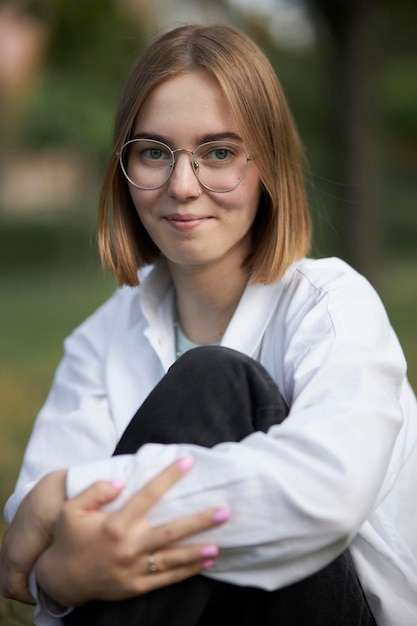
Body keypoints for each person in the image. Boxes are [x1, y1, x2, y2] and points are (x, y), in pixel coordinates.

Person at [1, 22, 416, 626]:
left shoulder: (332, 305)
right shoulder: (101, 337)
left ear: (267, 164)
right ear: (125, 166)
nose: (181, 186)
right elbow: (32, 549)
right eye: (153, 152)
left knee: (217, 380)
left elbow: (328, 491)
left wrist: (76, 495)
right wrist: (60, 577)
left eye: (218, 152)